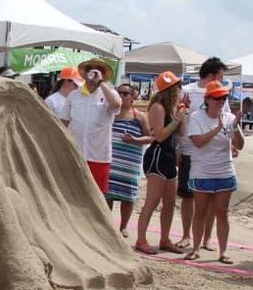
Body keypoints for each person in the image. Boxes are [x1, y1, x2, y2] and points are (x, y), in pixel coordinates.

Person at [183, 80, 245, 262]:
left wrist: (235, 129)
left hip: (224, 170)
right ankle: (195, 248)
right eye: (217, 98)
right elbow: (198, 142)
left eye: (223, 98)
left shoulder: (229, 118)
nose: (220, 102)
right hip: (202, 171)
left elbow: (239, 145)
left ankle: (223, 251)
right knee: (200, 212)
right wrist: (218, 128)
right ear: (207, 99)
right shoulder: (196, 117)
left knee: (222, 212)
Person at [176, 57, 230, 250]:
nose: (222, 81)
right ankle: (186, 235)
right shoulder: (188, 91)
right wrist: (177, 147)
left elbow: (226, 120)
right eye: (220, 77)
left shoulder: (221, 95)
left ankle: (207, 238)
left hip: (213, 153)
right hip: (189, 149)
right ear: (211, 75)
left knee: (212, 199)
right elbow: (178, 118)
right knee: (188, 196)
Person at [134, 71, 187, 254]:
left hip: (169, 154)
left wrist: (181, 116)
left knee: (170, 201)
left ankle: (165, 238)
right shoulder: (158, 107)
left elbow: (180, 133)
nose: (180, 90)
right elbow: (159, 135)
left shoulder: (171, 108)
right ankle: (141, 239)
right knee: (152, 200)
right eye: (177, 87)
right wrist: (177, 120)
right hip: (158, 153)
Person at [59, 57, 121, 197]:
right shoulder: (74, 95)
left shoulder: (110, 94)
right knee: (72, 194)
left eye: (98, 70)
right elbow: (64, 122)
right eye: (91, 70)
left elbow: (116, 105)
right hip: (76, 154)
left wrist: (101, 83)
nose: (93, 73)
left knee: (97, 196)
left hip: (98, 156)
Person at [106, 83, 151, 237]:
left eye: (125, 93)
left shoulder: (139, 116)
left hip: (129, 163)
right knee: (108, 194)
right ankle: (107, 225)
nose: (122, 96)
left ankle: (123, 226)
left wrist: (135, 140)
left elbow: (150, 137)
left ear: (133, 96)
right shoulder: (110, 113)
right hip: (110, 160)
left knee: (128, 196)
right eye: (119, 93)